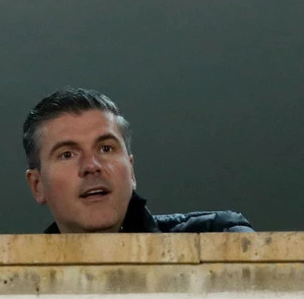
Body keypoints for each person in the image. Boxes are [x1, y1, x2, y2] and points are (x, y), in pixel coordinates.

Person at [22, 88, 253, 233]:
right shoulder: (10, 287)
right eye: (67, 154)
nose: (92, 166)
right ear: (37, 185)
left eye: (105, 148)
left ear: (131, 171)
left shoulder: (222, 235)